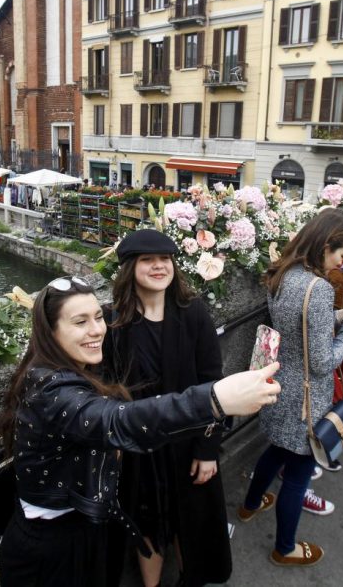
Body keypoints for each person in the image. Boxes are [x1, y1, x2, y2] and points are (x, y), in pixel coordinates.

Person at [0, 277, 281, 587]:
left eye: (98, 317)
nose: (97, 329)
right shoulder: (53, 390)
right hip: (52, 550)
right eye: (80, 322)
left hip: (78, 529)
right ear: (50, 332)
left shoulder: (67, 368)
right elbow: (120, 420)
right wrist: (214, 400)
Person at [238, 209, 343, 567]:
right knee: (299, 473)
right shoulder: (318, 287)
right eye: (342, 254)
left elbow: (297, 324)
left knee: (276, 451)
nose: (342, 262)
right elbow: (321, 361)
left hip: (279, 386)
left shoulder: (284, 272)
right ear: (326, 244)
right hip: (305, 399)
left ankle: (250, 505)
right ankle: (285, 548)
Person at [101, 230, 231, 587]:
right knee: (146, 522)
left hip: (187, 444)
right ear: (130, 268)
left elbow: (212, 384)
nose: (159, 266)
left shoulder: (193, 315)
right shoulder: (112, 321)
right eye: (147, 260)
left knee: (190, 520)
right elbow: (104, 389)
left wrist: (208, 450)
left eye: (165, 259)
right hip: (137, 449)